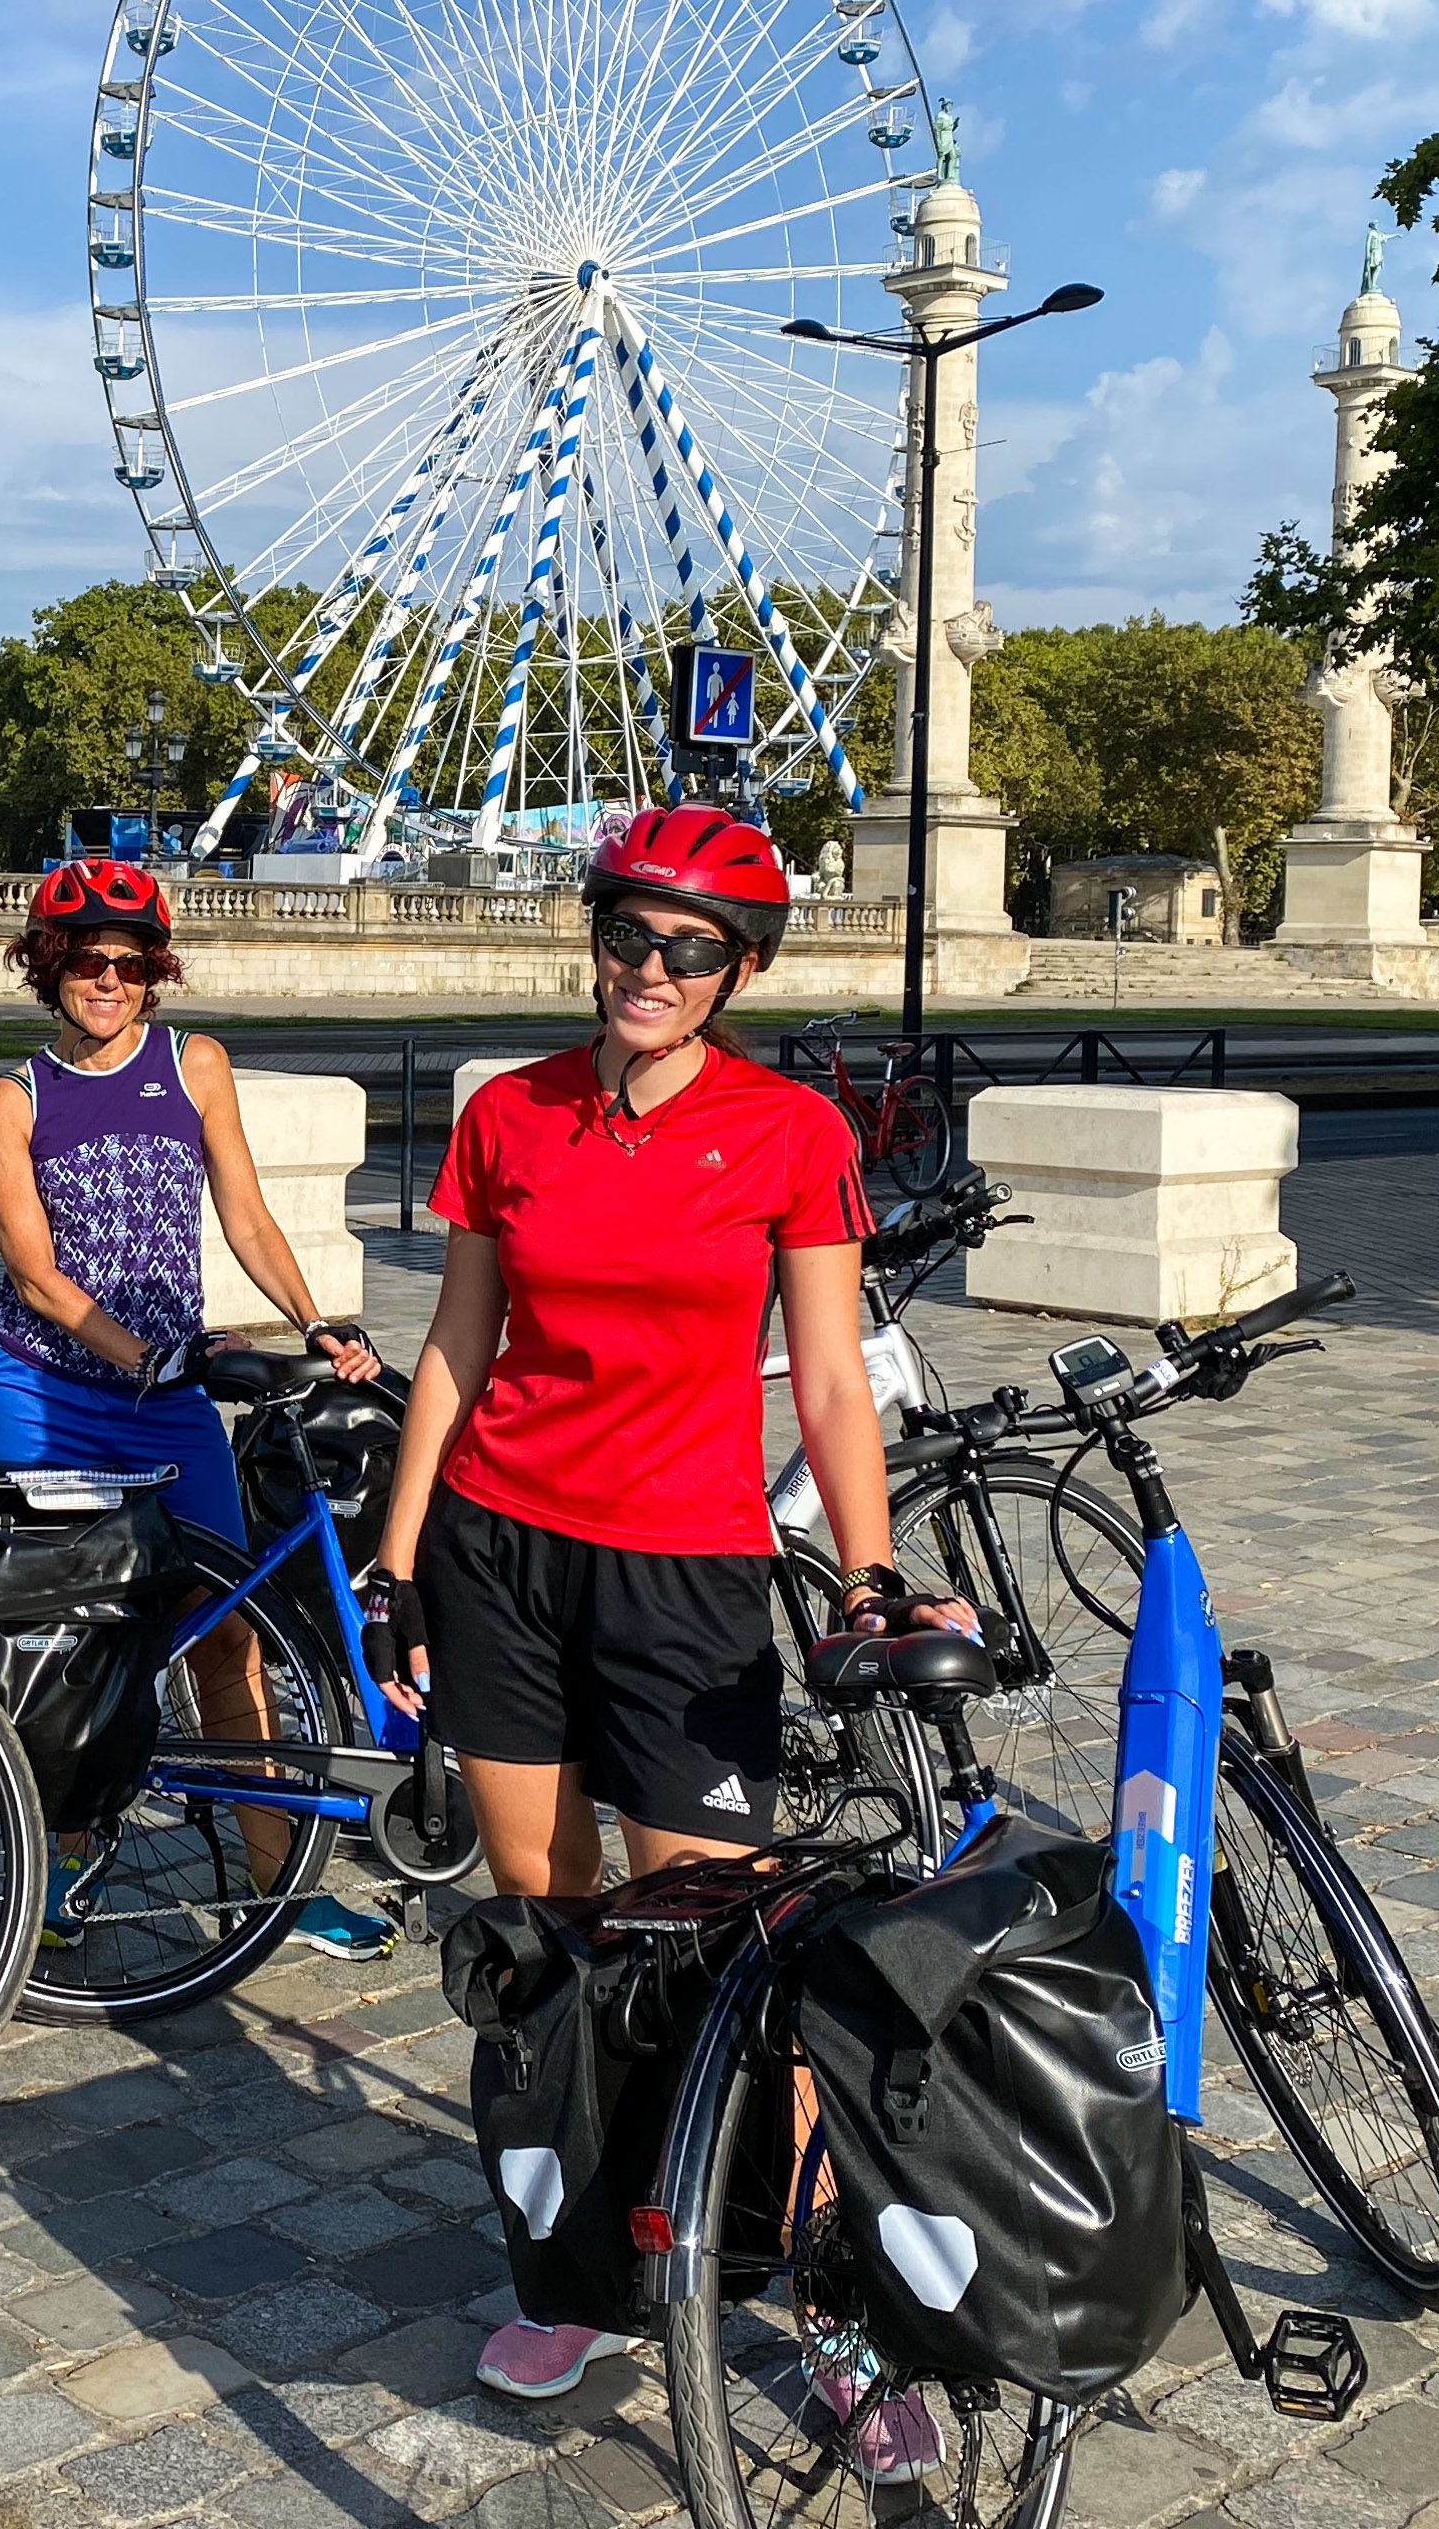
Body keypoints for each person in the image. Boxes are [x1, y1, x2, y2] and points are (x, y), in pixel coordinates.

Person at [371, 803, 961, 2445]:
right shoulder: (509, 1112)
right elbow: (458, 1341)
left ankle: (831, 2302)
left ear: (737, 972)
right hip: (500, 1554)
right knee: (551, 1938)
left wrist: (864, 1567)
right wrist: (399, 1554)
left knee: (723, 1952)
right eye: (625, 934)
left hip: (682, 1575)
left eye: (688, 948)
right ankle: (578, 2270)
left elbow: (829, 1375)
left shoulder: (788, 1132)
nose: (648, 966)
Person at [0, 857, 392, 1960]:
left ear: (154, 972)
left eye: (128, 962)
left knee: (228, 1630)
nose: (107, 980)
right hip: (43, 1393)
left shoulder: (192, 1063)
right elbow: (34, 1275)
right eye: (84, 961)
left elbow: (245, 1216)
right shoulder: (12, 1098)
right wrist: (145, 1355)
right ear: (49, 968)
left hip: (167, 1402)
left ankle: (276, 1879)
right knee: (64, 1638)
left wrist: (315, 1319)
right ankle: (62, 1852)